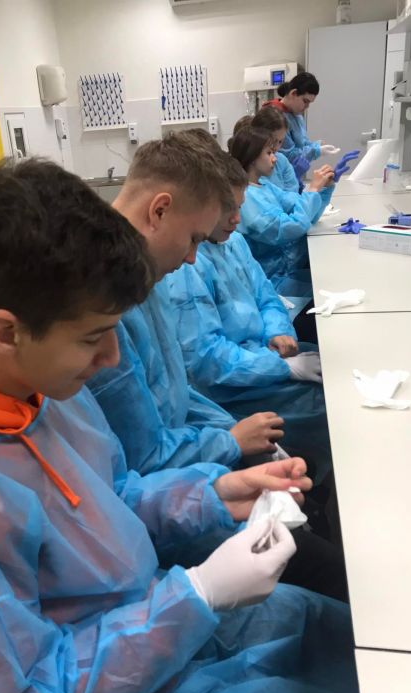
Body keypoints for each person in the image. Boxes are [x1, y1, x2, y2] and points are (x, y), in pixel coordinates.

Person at [0, 158, 367, 693]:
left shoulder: (40, 394)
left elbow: (114, 497)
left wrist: (214, 495)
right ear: (5, 332)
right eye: (92, 337)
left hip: (155, 632)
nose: (111, 358)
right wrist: (198, 594)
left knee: (350, 646)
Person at [88, 132, 285, 475]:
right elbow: (143, 457)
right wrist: (230, 443)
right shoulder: (101, 303)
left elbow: (176, 393)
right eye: (194, 239)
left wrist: (230, 432)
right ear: (159, 211)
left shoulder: (148, 275)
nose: (193, 258)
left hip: (180, 453)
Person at [167, 152, 333, 488]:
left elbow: (266, 296)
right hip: (236, 389)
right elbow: (208, 362)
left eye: (240, 207)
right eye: (228, 209)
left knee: (333, 369)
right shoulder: (187, 268)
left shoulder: (235, 243)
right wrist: (282, 368)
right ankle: (325, 496)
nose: (237, 218)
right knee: (331, 411)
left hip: (263, 357)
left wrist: (278, 332)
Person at [231, 125, 334, 299]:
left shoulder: (264, 185)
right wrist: (312, 190)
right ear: (252, 157)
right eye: (269, 153)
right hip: (271, 282)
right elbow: (290, 228)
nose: (275, 158)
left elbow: (307, 213)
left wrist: (324, 189)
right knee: (324, 294)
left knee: (331, 281)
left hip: (287, 270)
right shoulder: (246, 197)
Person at [264, 72, 338, 184]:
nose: (307, 107)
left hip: (293, 178)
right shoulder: (275, 116)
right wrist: (316, 150)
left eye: (310, 103)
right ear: (293, 93)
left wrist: (316, 145)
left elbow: (302, 143)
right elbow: (287, 155)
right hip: (279, 180)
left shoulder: (296, 115)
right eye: (305, 101)